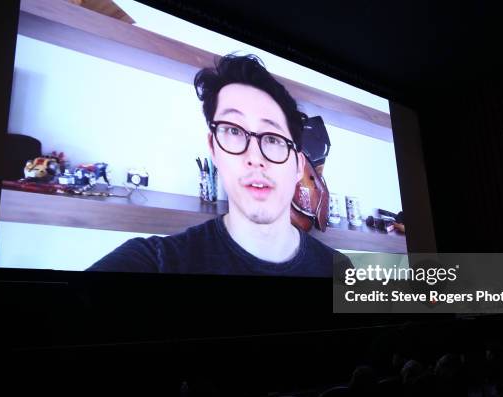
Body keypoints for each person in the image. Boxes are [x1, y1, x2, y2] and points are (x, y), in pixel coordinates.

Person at [88, 54, 351, 277]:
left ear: (297, 166)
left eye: (272, 138)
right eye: (234, 131)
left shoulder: (345, 273)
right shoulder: (155, 261)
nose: (254, 156)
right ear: (213, 149)